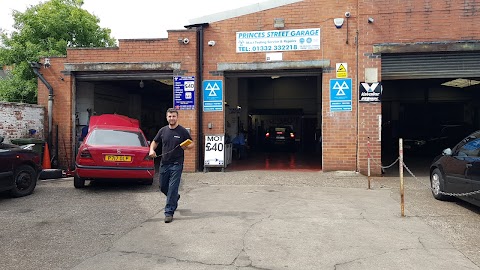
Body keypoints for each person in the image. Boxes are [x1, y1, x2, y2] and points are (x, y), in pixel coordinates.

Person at [149, 108, 193, 223]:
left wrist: (187, 147)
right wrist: (151, 150)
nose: (171, 118)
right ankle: (174, 197)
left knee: (173, 187)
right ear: (166, 117)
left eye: (173, 116)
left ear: (177, 117)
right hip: (164, 163)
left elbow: (192, 143)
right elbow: (155, 141)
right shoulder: (163, 130)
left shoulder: (182, 131)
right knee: (163, 187)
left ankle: (169, 212)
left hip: (177, 163)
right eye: (169, 116)